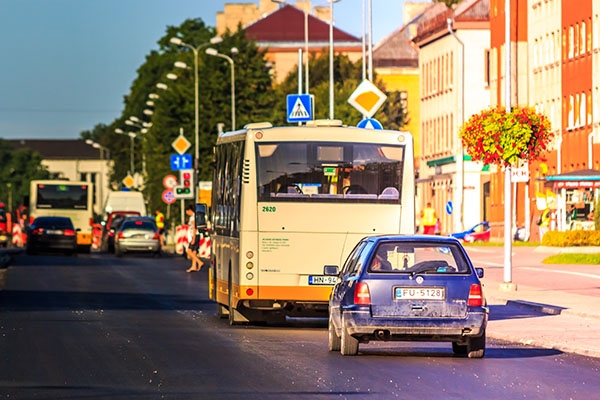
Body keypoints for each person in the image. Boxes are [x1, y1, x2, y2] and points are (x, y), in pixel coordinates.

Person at [184, 204, 202, 273]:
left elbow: (194, 228)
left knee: (188, 251)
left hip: (195, 235)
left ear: (189, 210)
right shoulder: (195, 216)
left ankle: (199, 262)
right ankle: (193, 266)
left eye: (187, 211)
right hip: (197, 235)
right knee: (194, 252)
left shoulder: (192, 217)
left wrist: (193, 238)